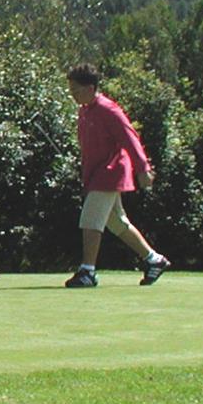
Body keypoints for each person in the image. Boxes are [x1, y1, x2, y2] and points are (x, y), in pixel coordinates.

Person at [65, 63, 171, 288]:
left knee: (90, 220)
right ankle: (154, 260)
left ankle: (88, 271)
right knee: (117, 222)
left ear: (91, 87)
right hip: (95, 175)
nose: (73, 95)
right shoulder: (84, 111)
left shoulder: (108, 109)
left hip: (110, 173)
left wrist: (143, 168)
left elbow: (129, 138)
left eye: (77, 90)